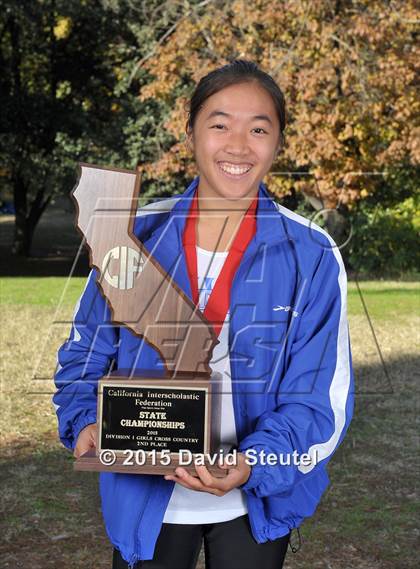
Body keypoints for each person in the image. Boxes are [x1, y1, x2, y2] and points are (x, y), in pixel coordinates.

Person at [53, 59, 355, 569]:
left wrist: (252, 463)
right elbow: (85, 355)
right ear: (190, 132)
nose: (238, 145)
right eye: (219, 124)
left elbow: (321, 396)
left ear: (278, 141)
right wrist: (84, 420)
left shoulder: (312, 252)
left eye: (259, 128)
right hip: (144, 489)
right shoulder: (131, 235)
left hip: (254, 497)